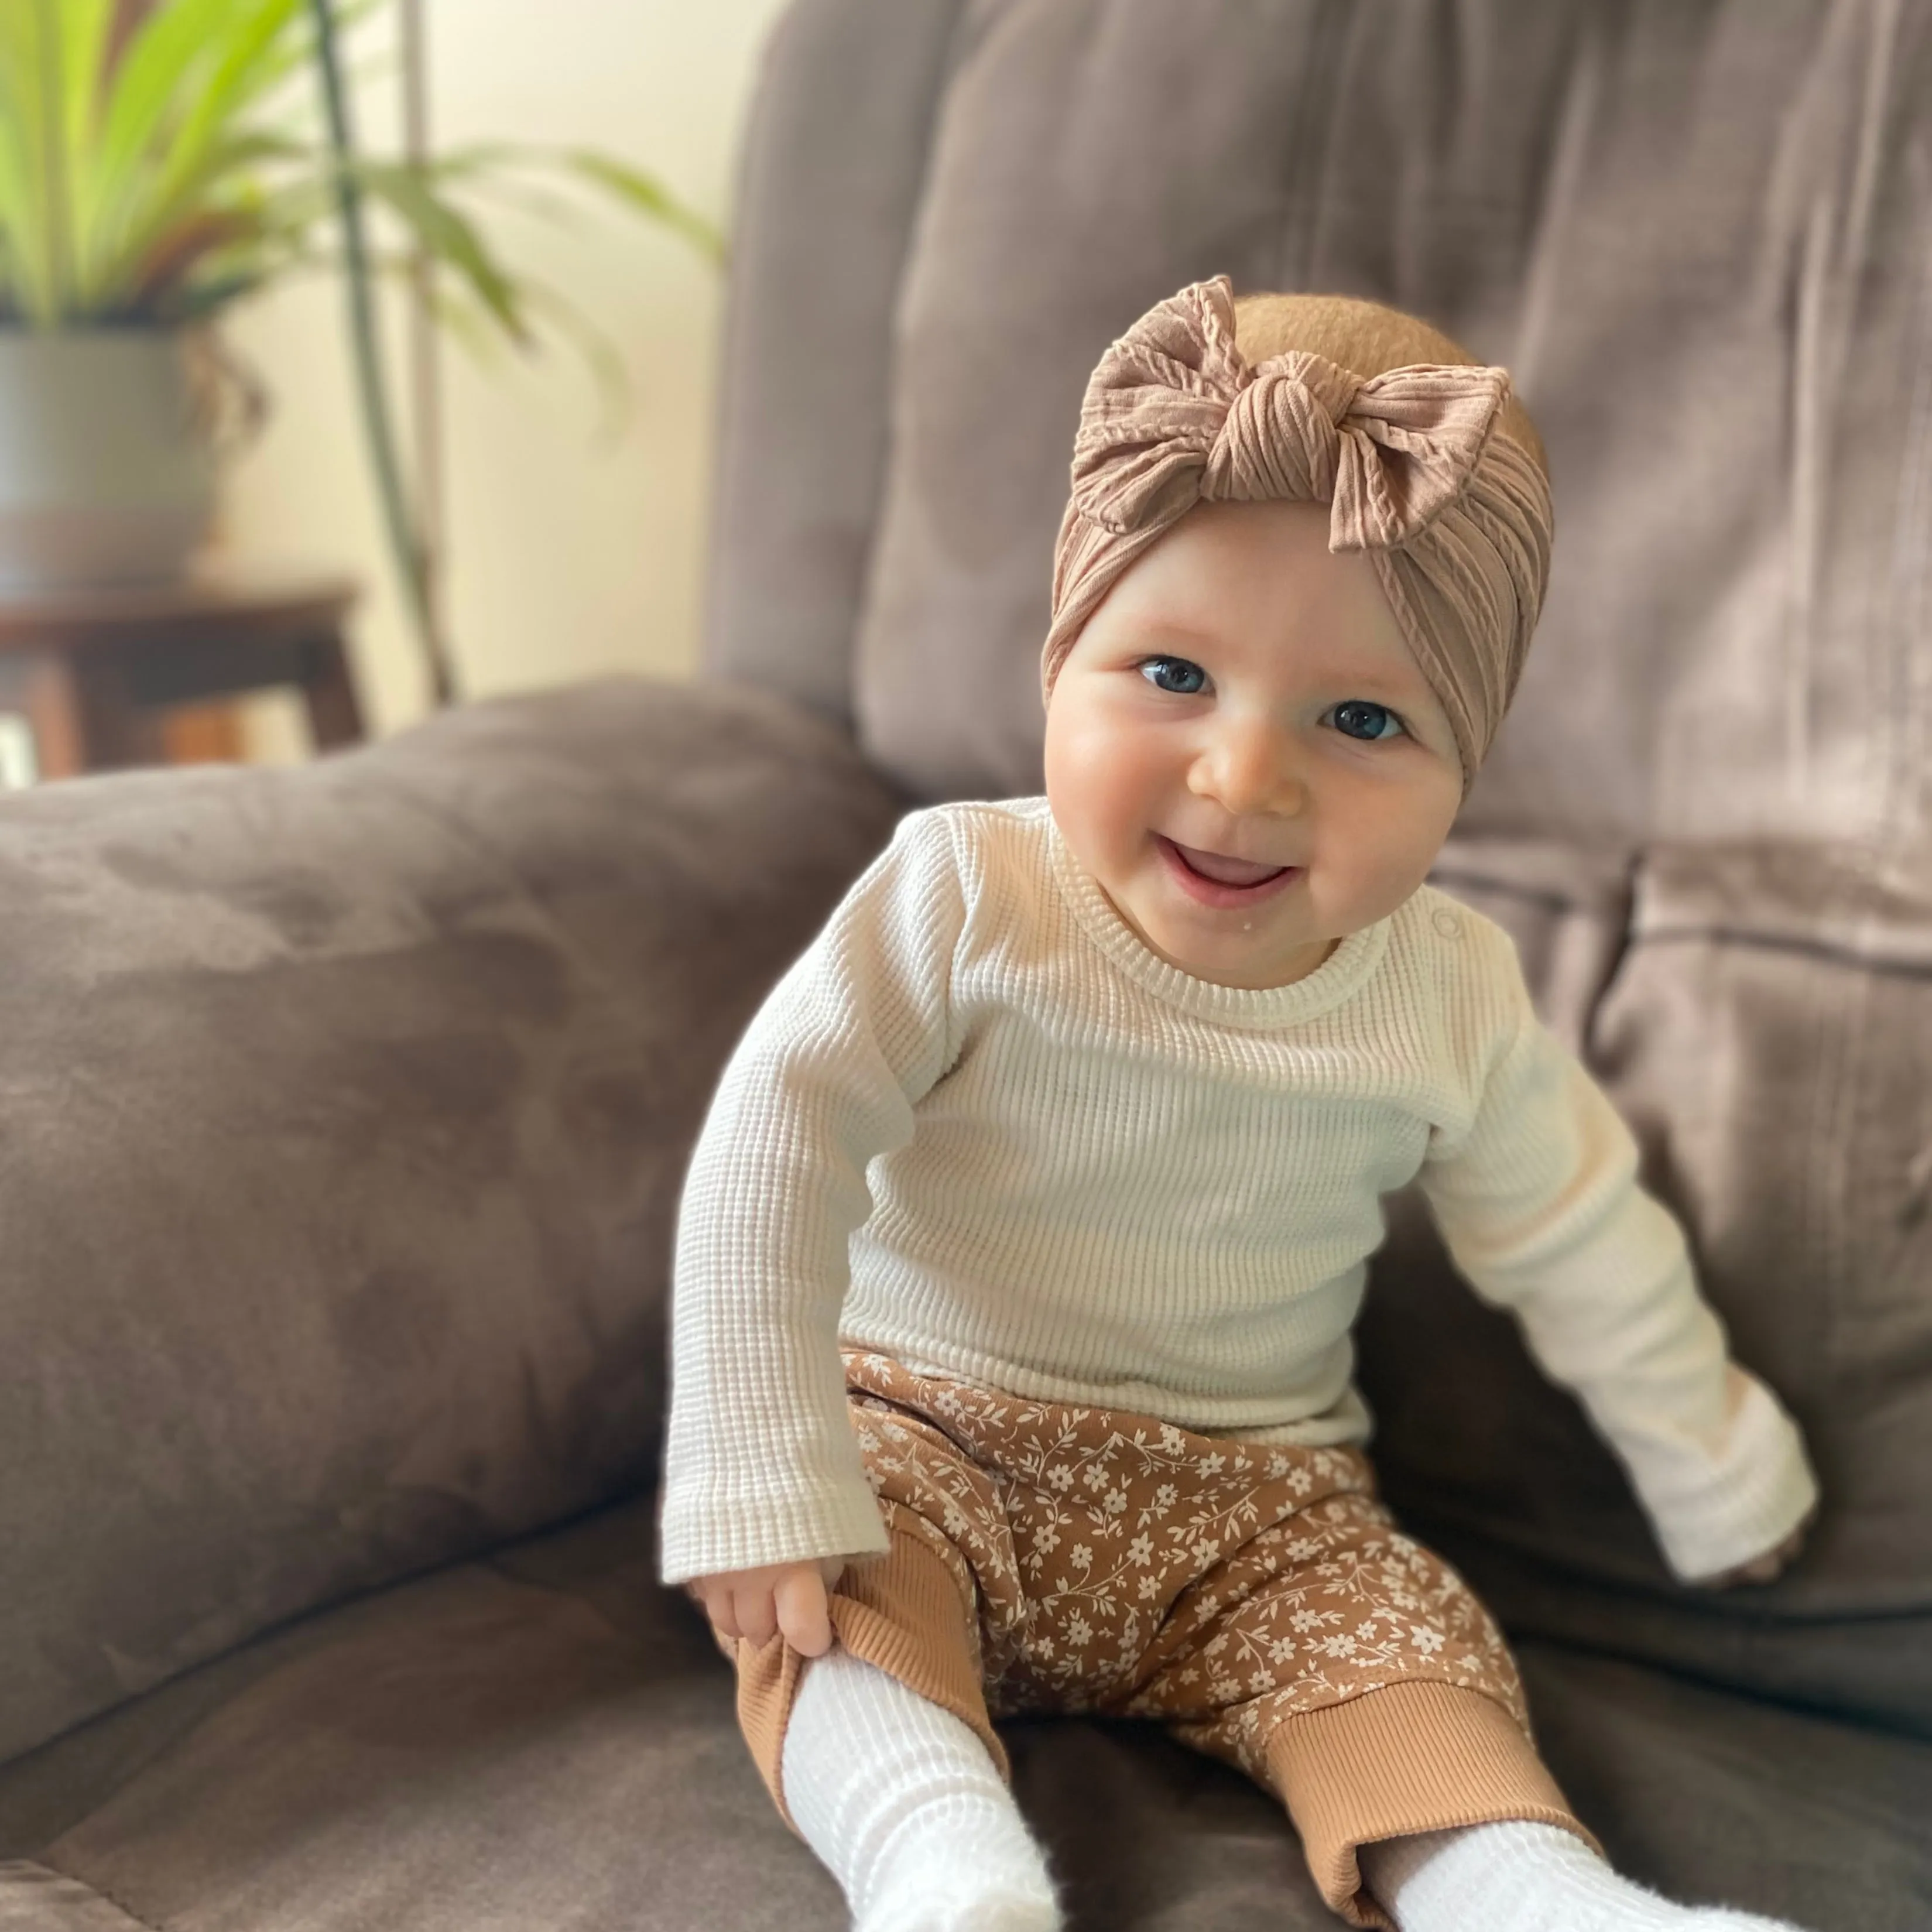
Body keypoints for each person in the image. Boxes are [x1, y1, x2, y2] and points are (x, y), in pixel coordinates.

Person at [656, 276, 1818, 1932]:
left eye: (1360, 718)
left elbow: (1577, 1234)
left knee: (1406, 1653)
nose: (1244, 775)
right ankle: (939, 1867)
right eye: (1171, 672)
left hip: (1255, 1509)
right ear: (1059, 656)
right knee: (830, 1612)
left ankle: (1544, 1899)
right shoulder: (967, 893)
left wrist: (1718, 1469)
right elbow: (780, 1130)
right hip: (921, 1428)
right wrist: (759, 1460)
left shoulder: (1446, 990)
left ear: (1462, 768)